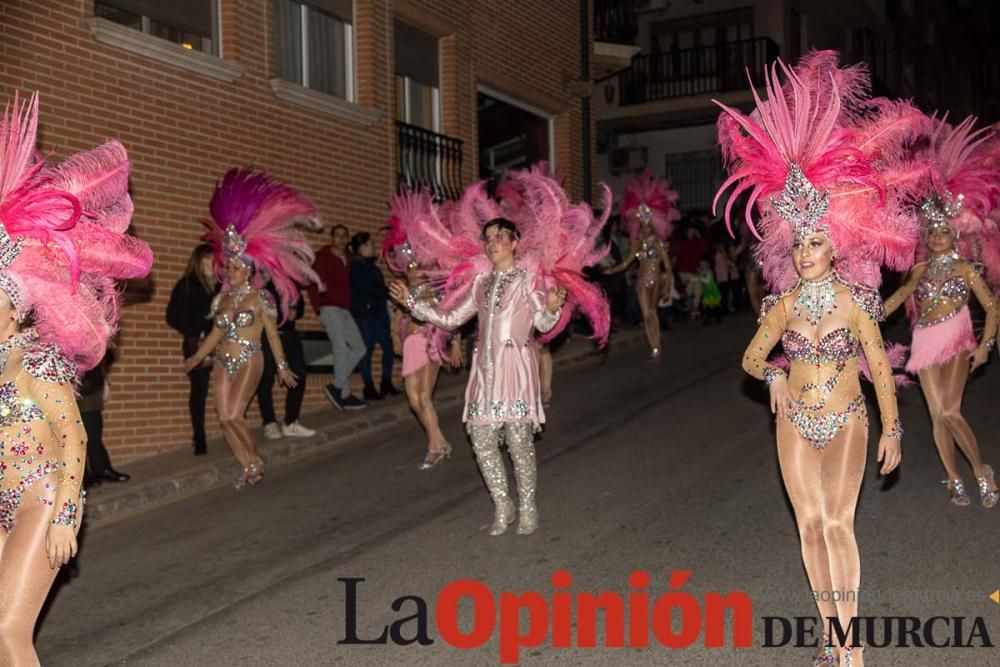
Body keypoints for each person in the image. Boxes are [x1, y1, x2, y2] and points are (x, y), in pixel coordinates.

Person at [715, 52, 927, 666]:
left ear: (833, 249)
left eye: (816, 243)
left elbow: (881, 370)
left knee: (839, 525)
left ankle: (850, 643)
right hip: (793, 426)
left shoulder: (858, 302)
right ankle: (828, 635)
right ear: (788, 244)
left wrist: (893, 427)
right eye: (799, 242)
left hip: (847, 422)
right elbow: (753, 359)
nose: (806, 252)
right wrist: (776, 373)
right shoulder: (780, 305)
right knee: (808, 528)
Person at [0, 92, 154, 664]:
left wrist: (67, 511)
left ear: (17, 307)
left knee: (9, 632)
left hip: (41, 498)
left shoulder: (38, 358)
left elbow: (74, 436)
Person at [389, 169, 609, 536]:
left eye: (498, 237)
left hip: (516, 369)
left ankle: (527, 508)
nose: (491, 243)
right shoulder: (480, 283)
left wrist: (553, 305)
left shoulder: (527, 278)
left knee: (519, 442)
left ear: (514, 242)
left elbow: (541, 323)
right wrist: (412, 302)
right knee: (481, 439)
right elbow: (449, 319)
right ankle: (503, 506)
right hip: (485, 371)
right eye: (487, 238)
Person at [884, 115, 1000, 508]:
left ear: (954, 236)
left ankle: (982, 470)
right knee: (938, 415)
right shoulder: (918, 270)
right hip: (925, 339)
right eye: (931, 232)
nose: (936, 237)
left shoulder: (966, 269)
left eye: (943, 232)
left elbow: (990, 307)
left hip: (957, 335)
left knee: (951, 410)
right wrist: (869, 313)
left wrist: (985, 346)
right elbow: (901, 299)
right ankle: (953, 477)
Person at [185, 168, 320, 488]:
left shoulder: (260, 299)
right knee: (223, 418)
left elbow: (273, 336)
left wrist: (284, 367)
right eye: (228, 266)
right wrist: (196, 357)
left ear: (247, 270)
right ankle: (247, 467)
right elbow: (216, 334)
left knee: (234, 416)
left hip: (250, 359)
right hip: (222, 360)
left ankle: (256, 458)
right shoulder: (221, 300)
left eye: (236, 267)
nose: (230, 271)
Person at [382, 203, 461, 469]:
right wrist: (395, 336)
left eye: (418, 268)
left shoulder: (436, 290)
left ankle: (434, 447)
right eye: (410, 268)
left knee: (424, 397)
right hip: (411, 344)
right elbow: (399, 315)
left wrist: (456, 344)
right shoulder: (404, 290)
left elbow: (451, 317)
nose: (414, 272)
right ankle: (440, 441)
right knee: (414, 400)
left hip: (431, 342)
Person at [602, 171, 679, 360]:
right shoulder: (636, 244)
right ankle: (653, 345)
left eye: (647, 224)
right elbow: (627, 262)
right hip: (641, 282)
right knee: (646, 315)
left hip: (657, 280)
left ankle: (657, 342)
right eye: (641, 224)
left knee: (653, 313)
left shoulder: (659, 243)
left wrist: (668, 286)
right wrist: (611, 269)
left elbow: (668, 267)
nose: (644, 228)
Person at [308, 224, 368, 410]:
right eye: (337, 236)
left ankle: (337, 387)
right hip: (330, 308)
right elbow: (312, 283)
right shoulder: (322, 257)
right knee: (340, 348)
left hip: (345, 309)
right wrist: (318, 307)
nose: (341, 239)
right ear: (332, 238)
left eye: (344, 236)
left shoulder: (349, 259)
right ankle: (343, 393)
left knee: (359, 348)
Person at [167, 243, 218, 455]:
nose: (211, 264)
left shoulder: (221, 286)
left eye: (214, 260)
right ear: (197, 262)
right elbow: (172, 316)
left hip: (221, 343)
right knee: (199, 391)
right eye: (207, 260)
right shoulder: (187, 284)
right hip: (196, 344)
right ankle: (200, 439)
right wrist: (196, 329)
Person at [257, 282, 315, 439]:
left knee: (299, 375)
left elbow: (299, 304)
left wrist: (296, 311)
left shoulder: (290, 283)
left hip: (289, 334)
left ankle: (291, 421)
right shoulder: (262, 282)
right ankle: (269, 422)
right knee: (266, 377)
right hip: (266, 335)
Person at [350, 231, 401, 400]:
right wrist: (389, 292)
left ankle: (386, 382)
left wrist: (387, 293)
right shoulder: (356, 266)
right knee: (367, 350)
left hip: (379, 314)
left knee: (388, 347)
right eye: (370, 244)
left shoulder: (373, 268)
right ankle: (369, 387)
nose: (374, 248)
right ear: (362, 247)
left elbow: (377, 288)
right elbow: (368, 289)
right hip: (365, 314)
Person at [78, 353, 130, 486]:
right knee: (85, 438)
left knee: (93, 435)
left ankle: (99, 470)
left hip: (90, 394)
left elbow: (109, 355)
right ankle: (88, 475)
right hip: (84, 395)